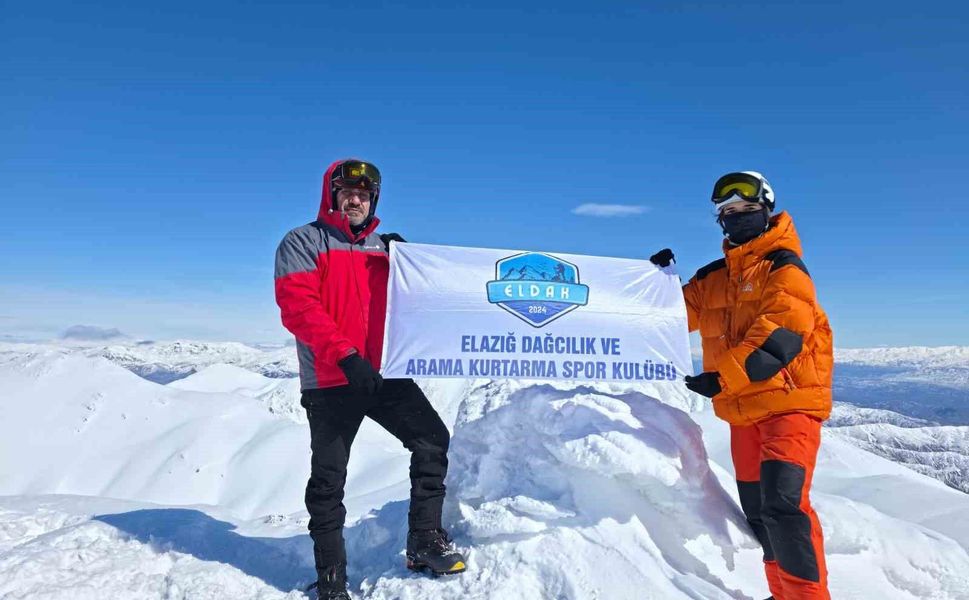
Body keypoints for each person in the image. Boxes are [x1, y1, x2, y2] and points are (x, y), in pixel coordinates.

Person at [274, 159, 466, 599]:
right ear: (332, 195)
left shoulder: (385, 249)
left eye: (363, 194)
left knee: (432, 440)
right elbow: (298, 306)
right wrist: (345, 357)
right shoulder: (302, 241)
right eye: (347, 192)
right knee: (328, 480)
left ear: (373, 199)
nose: (355, 199)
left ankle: (423, 542)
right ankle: (332, 578)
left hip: (384, 373)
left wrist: (409, 261)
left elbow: (448, 289)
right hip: (331, 378)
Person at [651, 171, 833, 600]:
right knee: (759, 513)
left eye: (747, 210)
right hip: (741, 410)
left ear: (767, 211)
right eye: (728, 213)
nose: (737, 218)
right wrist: (653, 284)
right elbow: (671, 319)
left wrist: (722, 376)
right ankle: (782, 594)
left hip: (789, 404)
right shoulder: (712, 277)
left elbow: (782, 333)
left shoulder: (785, 268)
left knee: (785, 508)